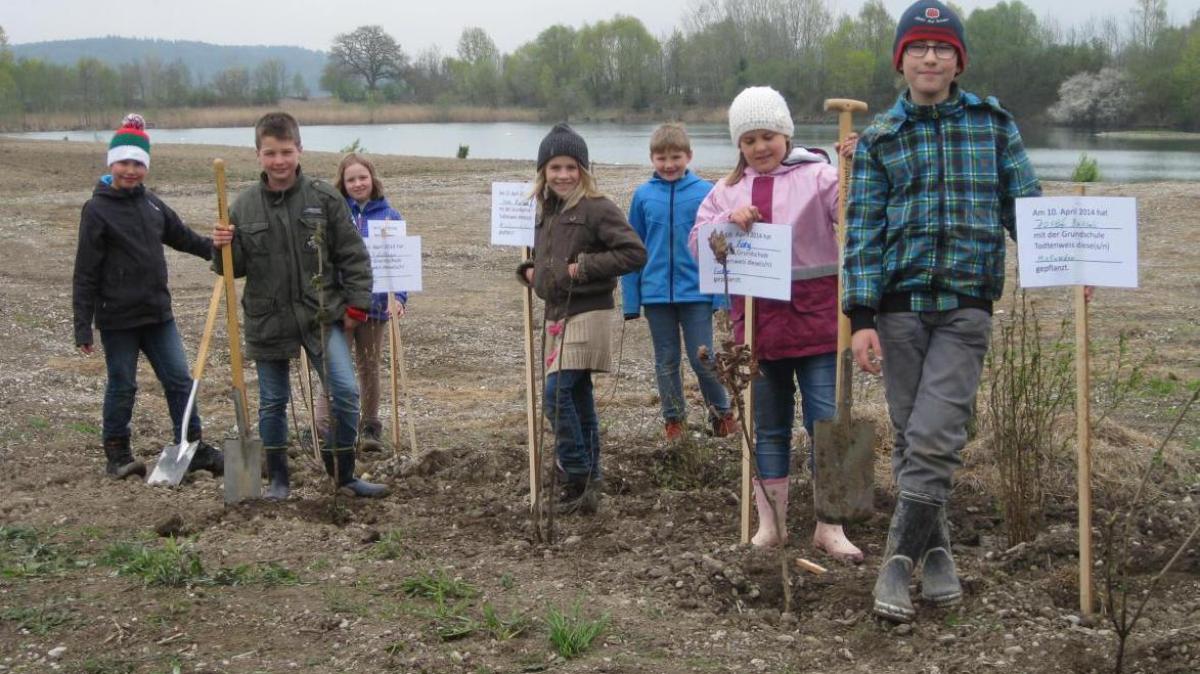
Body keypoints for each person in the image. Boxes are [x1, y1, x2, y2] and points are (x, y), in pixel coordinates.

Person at [843, 0, 1041, 623]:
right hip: (899, 313)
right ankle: (938, 557)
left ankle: (895, 565)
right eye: (919, 48)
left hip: (965, 307)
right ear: (901, 60)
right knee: (910, 436)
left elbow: (1027, 206)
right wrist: (862, 318)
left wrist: (1069, 264)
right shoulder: (880, 141)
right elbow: (864, 236)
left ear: (959, 61)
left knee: (935, 436)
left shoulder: (993, 126)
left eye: (943, 48)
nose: (931, 57)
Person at [689, 86, 863, 563]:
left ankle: (832, 524)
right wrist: (727, 222)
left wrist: (858, 168)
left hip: (819, 323)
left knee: (827, 422)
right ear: (738, 146)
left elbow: (855, 213)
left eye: (767, 136)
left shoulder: (822, 176)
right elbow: (698, 246)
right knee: (768, 428)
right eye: (748, 140)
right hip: (758, 331)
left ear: (786, 134)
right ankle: (771, 524)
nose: (759, 147)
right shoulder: (725, 191)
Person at [211, 112, 388, 501]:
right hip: (267, 318)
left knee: (345, 392)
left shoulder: (323, 198)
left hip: (321, 316)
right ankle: (278, 480)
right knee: (273, 402)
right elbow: (233, 269)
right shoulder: (242, 207)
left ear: (299, 150)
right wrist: (223, 244)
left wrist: (357, 308)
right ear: (258, 154)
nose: (279, 161)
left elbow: (353, 256)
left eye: (286, 152)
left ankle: (343, 474)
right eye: (270, 153)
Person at [73, 113, 224, 480]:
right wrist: (83, 327)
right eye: (124, 162)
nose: (131, 170)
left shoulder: (152, 205)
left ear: (146, 167)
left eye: (138, 164)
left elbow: (182, 236)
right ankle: (118, 453)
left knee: (179, 380)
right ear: (112, 164)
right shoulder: (96, 210)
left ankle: (192, 445)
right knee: (123, 384)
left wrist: (216, 250)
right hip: (118, 320)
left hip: (158, 315)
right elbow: (85, 272)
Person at [517, 123, 647, 515]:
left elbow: (633, 253)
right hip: (557, 315)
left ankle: (574, 471)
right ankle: (591, 482)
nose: (563, 175)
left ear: (584, 170)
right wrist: (530, 270)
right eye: (555, 167)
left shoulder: (597, 207)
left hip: (589, 312)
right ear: (543, 171)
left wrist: (585, 267)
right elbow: (546, 260)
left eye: (571, 167)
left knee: (556, 394)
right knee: (577, 396)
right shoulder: (545, 212)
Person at [621, 123, 734, 443]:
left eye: (675, 157)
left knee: (704, 359)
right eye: (661, 158)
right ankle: (675, 421)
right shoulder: (643, 196)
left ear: (689, 156)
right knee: (666, 361)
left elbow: (720, 246)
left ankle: (721, 414)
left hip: (697, 293)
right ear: (651, 159)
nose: (669, 164)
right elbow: (633, 249)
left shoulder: (706, 192)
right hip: (656, 295)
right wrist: (631, 300)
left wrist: (721, 299)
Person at [313, 153, 408, 453]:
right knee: (333, 365)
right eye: (351, 179)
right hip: (340, 305)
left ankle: (369, 426)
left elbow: (399, 262)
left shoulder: (391, 216)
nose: (357, 184)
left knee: (369, 366)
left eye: (362, 177)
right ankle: (324, 426)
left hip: (377, 304)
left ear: (372, 178)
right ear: (342, 183)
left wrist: (400, 297)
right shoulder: (335, 214)